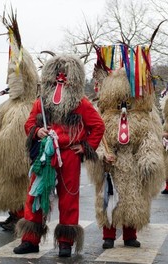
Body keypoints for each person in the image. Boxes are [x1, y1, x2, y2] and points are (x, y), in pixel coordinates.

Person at [13, 54, 105, 258]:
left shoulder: (81, 103)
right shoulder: (41, 102)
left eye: (65, 75)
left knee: (69, 198)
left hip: (69, 155)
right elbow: (29, 123)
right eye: (57, 75)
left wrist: (85, 146)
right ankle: (30, 240)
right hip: (45, 155)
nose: (60, 79)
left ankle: (66, 242)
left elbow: (98, 126)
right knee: (35, 194)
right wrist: (37, 132)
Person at [85, 43, 164, 250]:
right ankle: (108, 235)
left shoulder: (142, 119)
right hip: (111, 169)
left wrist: (148, 158)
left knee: (133, 201)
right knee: (108, 200)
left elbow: (148, 141)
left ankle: (130, 234)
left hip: (134, 169)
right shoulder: (106, 118)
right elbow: (99, 141)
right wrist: (102, 156)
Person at [0, 14, 39, 232]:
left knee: (20, 188)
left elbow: (16, 137)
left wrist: (0, 145)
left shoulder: (26, 107)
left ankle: (19, 216)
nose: (11, 81)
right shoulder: (9, 105)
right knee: (9, 189)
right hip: (6, 165)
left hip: (20, 161)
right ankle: (13, 214)